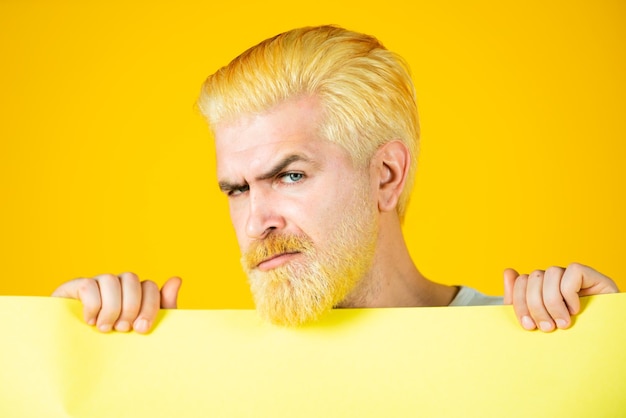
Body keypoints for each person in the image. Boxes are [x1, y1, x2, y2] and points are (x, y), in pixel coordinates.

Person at [52, 25, 619, 334]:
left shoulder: (535, 339)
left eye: (290, 174)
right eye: (237, 189)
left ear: (386, 176)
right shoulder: (190, 368)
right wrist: (63, 345)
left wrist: (605, 347)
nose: (257, 220)